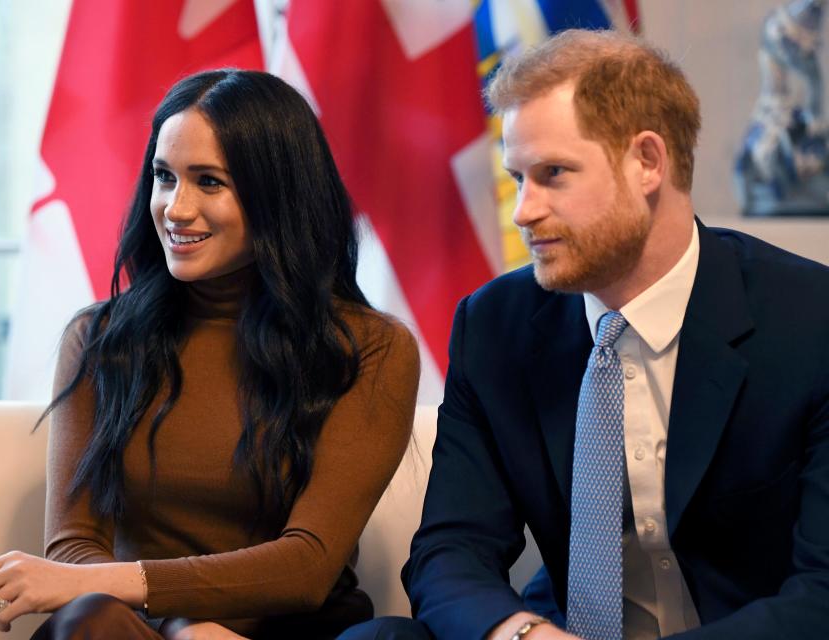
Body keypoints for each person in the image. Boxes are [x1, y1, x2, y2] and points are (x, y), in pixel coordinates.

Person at [340, 28, 829, 640]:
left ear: (647, 162)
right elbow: (451, 548)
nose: (523, 210)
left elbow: (821, 596)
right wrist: (520, 633)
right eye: (517, 177)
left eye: (553, 174)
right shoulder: (494, 326)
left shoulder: (811, 320)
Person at [0, 69, 420, 640]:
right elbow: (74, 547)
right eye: (163, 177)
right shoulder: (100, 339)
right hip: (144, 630)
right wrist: (182, 624)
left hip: (302, 631)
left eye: (208, 182)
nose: (175, 209)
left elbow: (308, 564)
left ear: (279, 194)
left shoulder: (371, 347)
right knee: (88, 619)